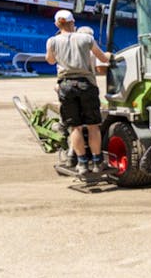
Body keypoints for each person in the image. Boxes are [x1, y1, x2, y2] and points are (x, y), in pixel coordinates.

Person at [45, 9, 111, 176]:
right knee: (93, 126)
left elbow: (50, 60)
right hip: (86, 84)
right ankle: (97, 162)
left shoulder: (52, 41)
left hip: (66, 85)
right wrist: (111, 56)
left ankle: (81, 164)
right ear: (73, 22)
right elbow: (102, 58)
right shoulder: (86, 38)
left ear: (57, 24)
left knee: (75, 127)